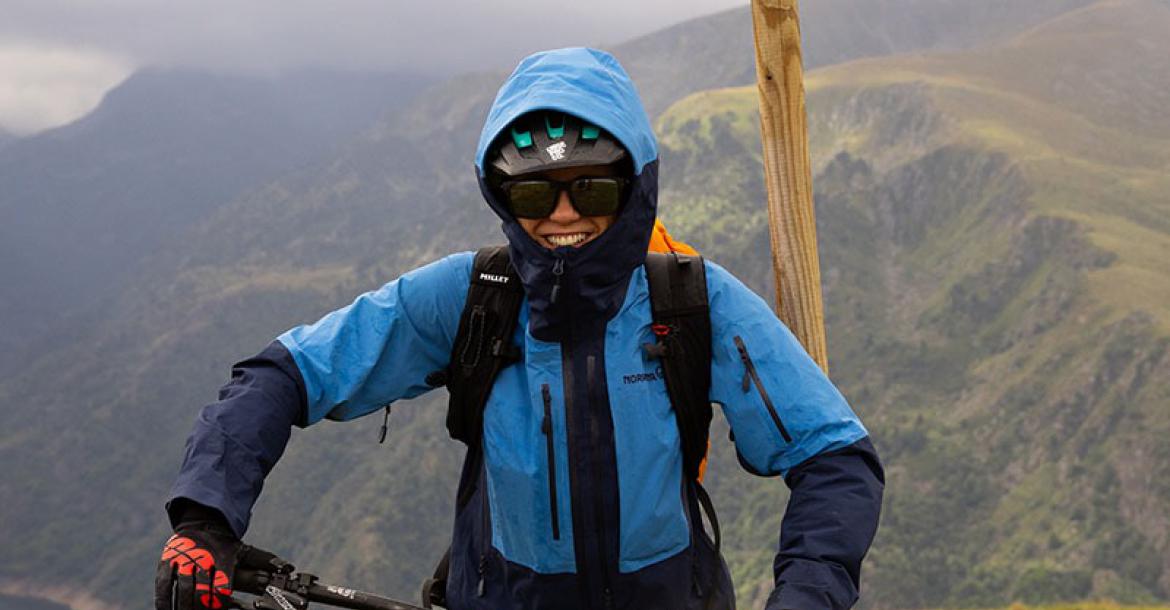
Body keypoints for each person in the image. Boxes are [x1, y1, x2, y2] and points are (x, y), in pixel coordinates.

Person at [155, 47, 884, 610]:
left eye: (592, 188)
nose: (562, 215)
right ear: (501, 194)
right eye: (533, 191)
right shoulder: (473, 296)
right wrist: (205, 519)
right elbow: (286, 373)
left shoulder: (689, 301)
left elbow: (835, 458)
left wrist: (807, 596)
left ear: (634, 188)